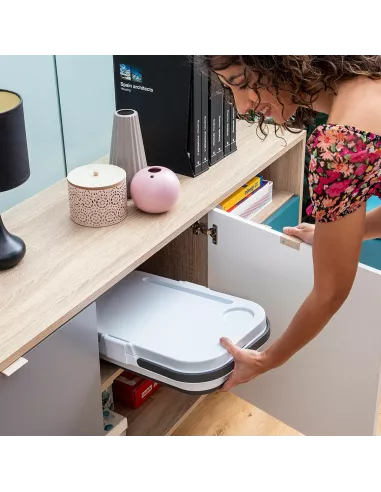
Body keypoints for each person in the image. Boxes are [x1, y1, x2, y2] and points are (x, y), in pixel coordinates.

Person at [202, 53, 381, 391]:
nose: (241, 107)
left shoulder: (340, 147)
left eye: (241, 84)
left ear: (282, 60)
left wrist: (264, 361)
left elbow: (330, 293)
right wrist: (339, 236)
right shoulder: (369, 82)